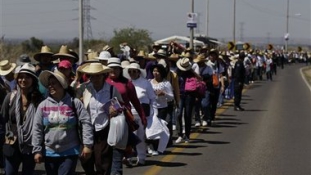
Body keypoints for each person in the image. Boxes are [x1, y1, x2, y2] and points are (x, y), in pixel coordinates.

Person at [32, 70, 93, 175]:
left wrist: (87, 145)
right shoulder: (43, 105)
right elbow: (37, 128)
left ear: (62, 84)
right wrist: (37, 150)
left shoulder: (75, 103)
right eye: (49, 84)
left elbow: (86, 122)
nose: (50, 86)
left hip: (70, 151)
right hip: (49, 152)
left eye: (54, 83)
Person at [78, 62, 123, 175]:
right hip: (87, 128)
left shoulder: (112, 89)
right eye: (93, 75)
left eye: (98, 75)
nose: (95, 78)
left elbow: (121, 105)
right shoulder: (85, 88)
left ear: (104, 76)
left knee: (102, 161)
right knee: (85, 159)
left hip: (104, 129)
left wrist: (115, 109)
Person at [0, 63, 43, 175]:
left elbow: (42, 125)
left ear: (33, 80)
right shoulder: (10, 97)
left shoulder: (39, 100)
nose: (23, 80)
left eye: (27, 77)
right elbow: (2, 119)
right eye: (21, 77)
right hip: (11, 143)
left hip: (31, 145)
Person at [106, 57, 146, 175]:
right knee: (106, 154)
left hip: (122, 121)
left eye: (115, 68)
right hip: (106, 121)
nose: (113, 70)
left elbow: (135, 102)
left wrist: (143, 117)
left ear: (120, 69)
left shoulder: (127, 83)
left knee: (117, 151)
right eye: (110, 68)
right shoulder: (103, 82)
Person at [123, 62, 158, 165]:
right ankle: (128, 157)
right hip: (129, 114)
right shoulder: (127, 83)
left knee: (141, 137)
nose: (132, 73)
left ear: (139, 72)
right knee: (129, 137)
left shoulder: (146, 83)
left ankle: (141, 157)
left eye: (134, 71)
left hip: (142, 113)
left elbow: (153, 99)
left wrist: (154, 114)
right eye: (130, 71)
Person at [148, 63, 173, 154]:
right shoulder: (149, 82)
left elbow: (171, 97)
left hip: (162, 108)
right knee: (151, 127)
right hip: (151, 108)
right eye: (154, 71)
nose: (156, 73)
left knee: (159, 128)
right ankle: (150, 146)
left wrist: (164, 94)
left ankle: (157, 147)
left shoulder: (166, 83)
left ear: (161, 73)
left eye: (157, 71)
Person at [175, 57, 197, 143]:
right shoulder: (177, 73)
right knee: (178, 114)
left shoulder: (191, 73)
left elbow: (200, 79)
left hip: (189, 96)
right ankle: (180, 134)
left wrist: (192, 71)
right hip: (179, 95)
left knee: (187, 115)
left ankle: (187, 135)